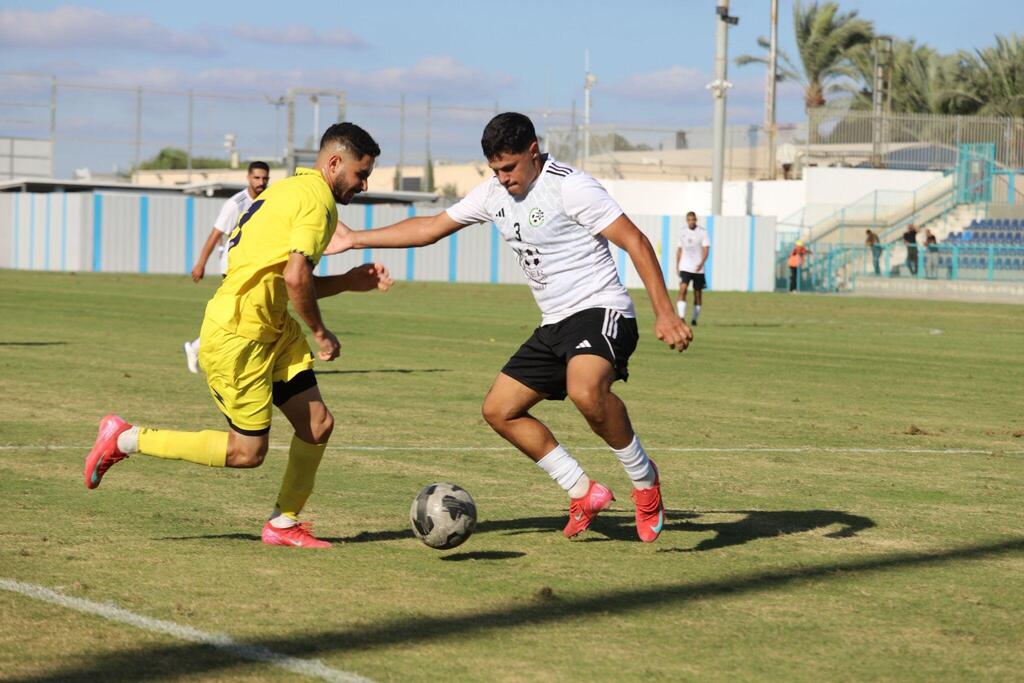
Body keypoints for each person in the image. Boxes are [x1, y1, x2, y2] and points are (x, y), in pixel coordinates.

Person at [327, 113, 693, 542]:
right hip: (554, 323)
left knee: (585, 390)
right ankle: (583, 490)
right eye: (495, 170)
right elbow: (430, 228)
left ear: (533, 152)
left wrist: (665, 312)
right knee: (499, 410)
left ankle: (645, 482)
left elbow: (636, 241)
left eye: (509, 168)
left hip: (600, 309)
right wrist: (355, 238)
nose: (502, 178)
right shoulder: (493, 193)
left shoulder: (571, 187)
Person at [84, 123, 393, 549]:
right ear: (335, 163)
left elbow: (286, 279)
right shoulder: (317, 200)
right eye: (361, 174)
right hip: (239, 335)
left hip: (272, 325)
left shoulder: (288, 190)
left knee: (317, 424)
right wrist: (321, 332)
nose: (364, 185)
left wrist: (346, 281)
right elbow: (296, 276)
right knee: (246, 453)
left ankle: (283, 523)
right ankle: (124, 438)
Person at [183, 161, 270, 373]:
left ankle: (198, 348)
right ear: (248, 178)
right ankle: (203, 350)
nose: (261, 182)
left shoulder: (269, 199)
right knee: (242, 314)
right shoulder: (236, 204)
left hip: (254, 266)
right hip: (232, 267)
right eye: (257, 178)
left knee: (242, 315)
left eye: (264, 178)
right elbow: (215, 235)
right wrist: (201, 263)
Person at [675, 211, 710, 326]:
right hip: (685, 267)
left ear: (696, 220)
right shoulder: (682, 232)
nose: (691, 222)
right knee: (682, 289)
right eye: (689, 220)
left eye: (693, 219)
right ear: (687, 220)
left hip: (698, 268)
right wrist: (677, 266)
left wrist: (701, 263)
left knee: (697, 294)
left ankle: (694, 319)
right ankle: (681, 317)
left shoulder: (702, 232)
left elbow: (706, 250)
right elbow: (679, 250)